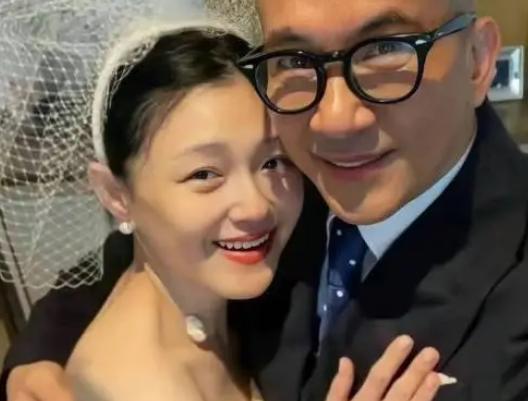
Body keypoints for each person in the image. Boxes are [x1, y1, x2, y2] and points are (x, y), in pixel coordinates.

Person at [4, 0, 528, 399]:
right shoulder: (298, 173)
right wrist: (41, 356)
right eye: (296, 58)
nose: (335, 121)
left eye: (386, 49)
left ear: (478, 60)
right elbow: (141, 247)